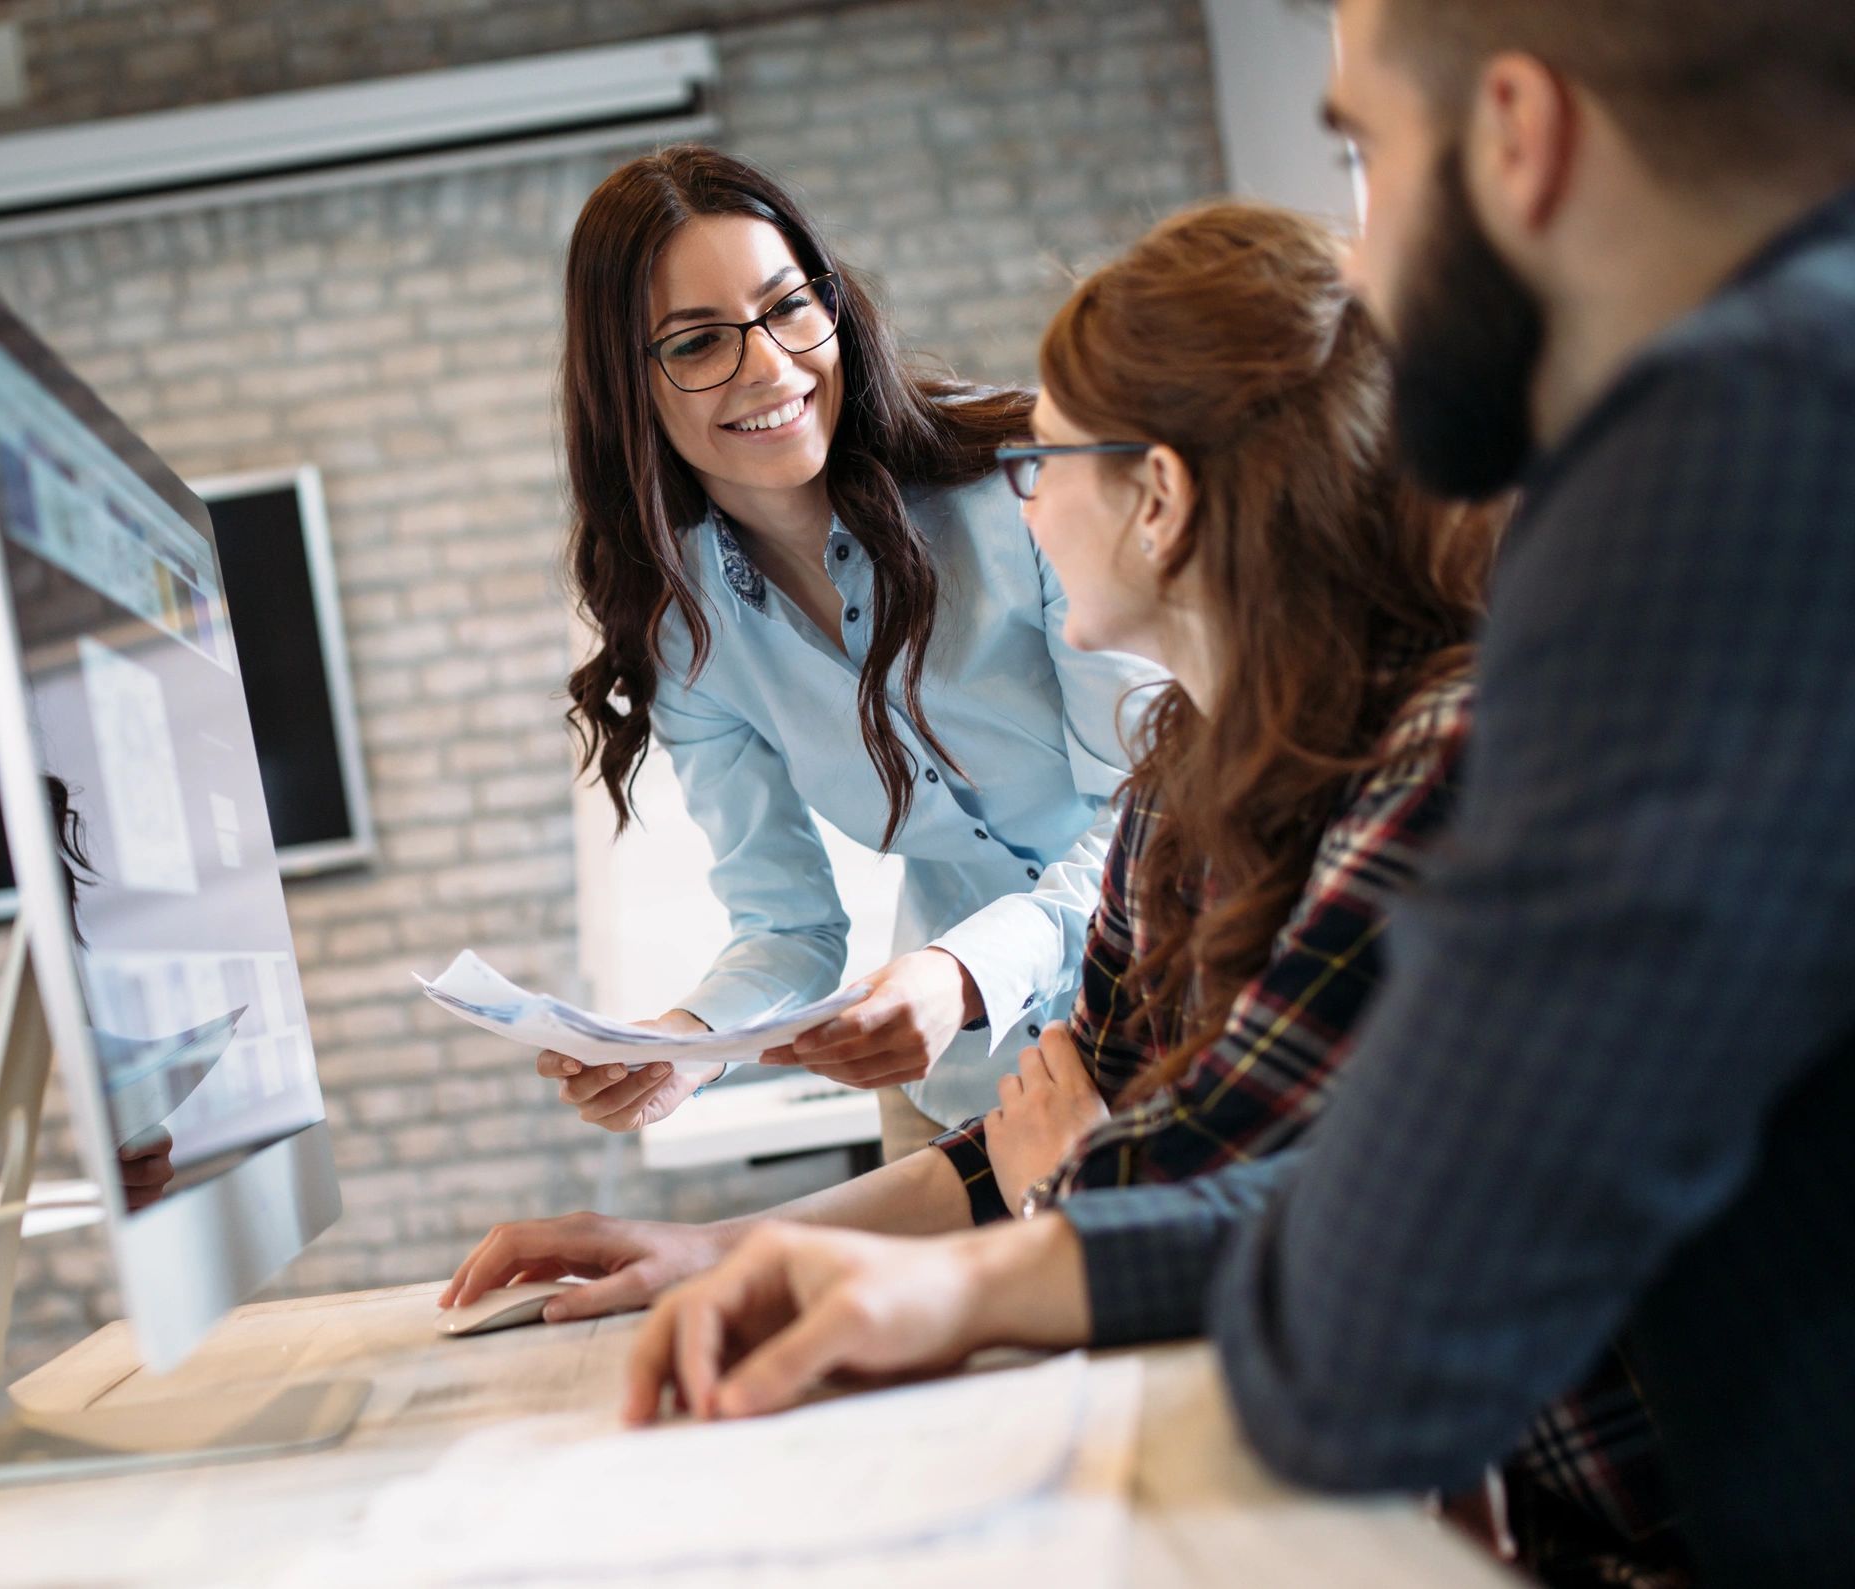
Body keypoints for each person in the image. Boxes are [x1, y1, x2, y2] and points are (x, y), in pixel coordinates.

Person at [618, 3, 1855, 1584]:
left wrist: (1073, 1182)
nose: (1367, 282)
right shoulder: (1179, 778)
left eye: (1366, 157)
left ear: (1522, 138)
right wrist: (939, 1240)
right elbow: (1351, 1202)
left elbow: (1371, 1287)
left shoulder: (1698, 505)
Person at [455, 200, 1675, 1584]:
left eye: (1046, 457)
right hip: (1039, 1108)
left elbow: (1176, 1188)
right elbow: (1060, 1140)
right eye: (696, 341)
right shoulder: (1181, 783)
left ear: (1159, 498)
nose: (1022, 492)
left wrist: (1052, 1178)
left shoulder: (1436, 770)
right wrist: (704, 1231)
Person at [549, 145, 1163, 1159]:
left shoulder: (1022, 483)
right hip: (966, 1097)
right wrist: (690, 1042)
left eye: (790, 306)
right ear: (627, 387)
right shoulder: (685, 634)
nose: (772, 368)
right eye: (698, 343)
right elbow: (788, 926)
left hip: (1180, 1025)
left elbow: (1151, 812)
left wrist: (964, 973)